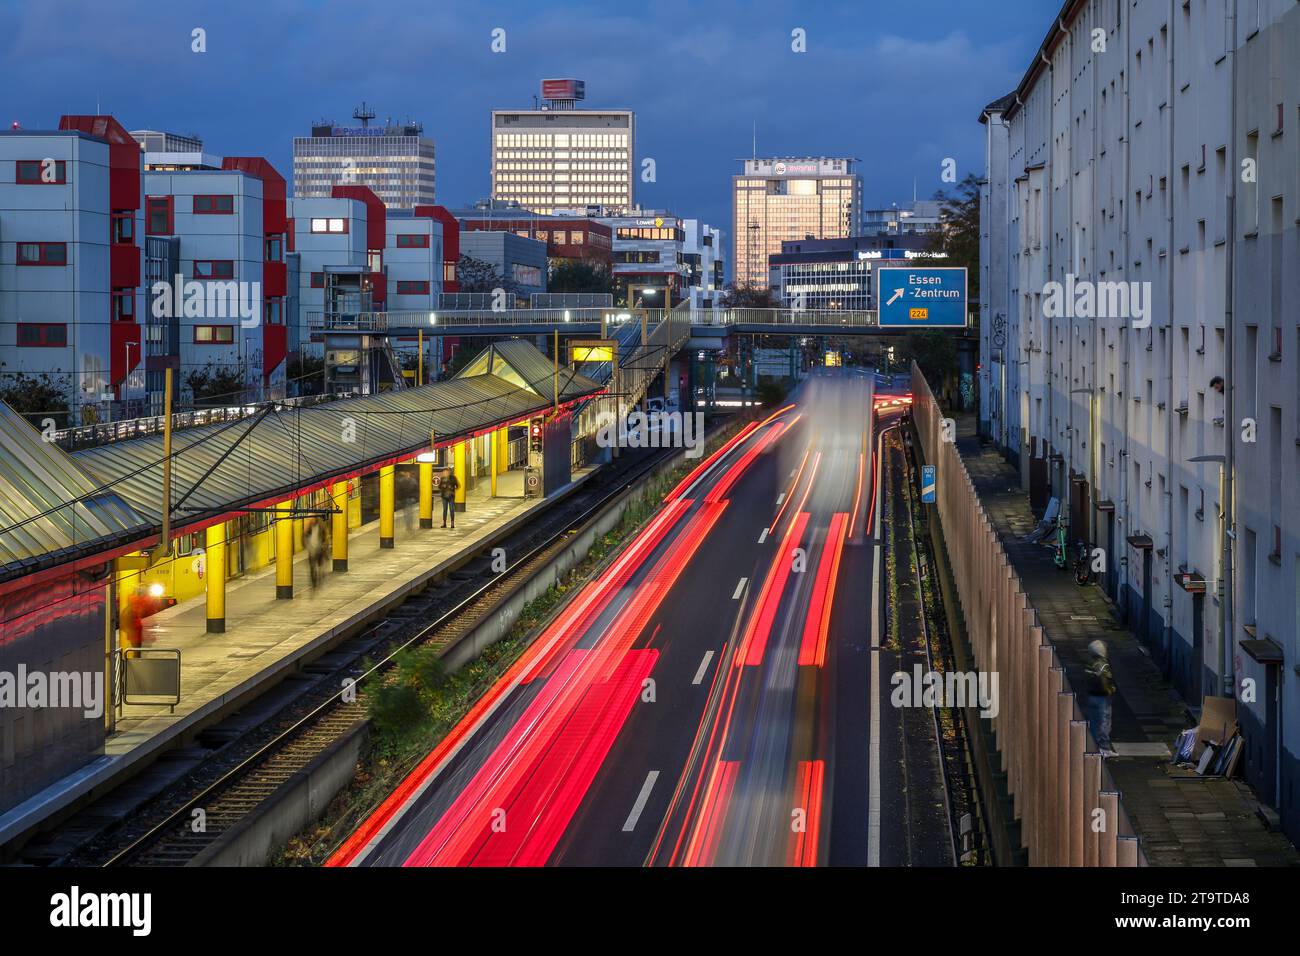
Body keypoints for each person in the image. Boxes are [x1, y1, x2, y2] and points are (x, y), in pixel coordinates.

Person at [1085, 639, 1118, 757]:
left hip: (1092, 696)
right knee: (1104, 722)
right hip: (1102, 697)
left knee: (1094, 722)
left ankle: (1095, 747)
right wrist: (1111, 689)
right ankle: (1104, 748)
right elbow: (1105, 680)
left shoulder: (1090, 663)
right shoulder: (1103, 665)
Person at [305, 517, 327, 588]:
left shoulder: (320, 527)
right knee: (312, 566)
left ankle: (319, 574)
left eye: (312, 519)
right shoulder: (308, 529)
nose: (311, 520)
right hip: (311, 550)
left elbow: (324, 536)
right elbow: (304, 537)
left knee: (319, 563)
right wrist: (307, 546)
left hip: (319, 548)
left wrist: (324, 545)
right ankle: (314, 580)